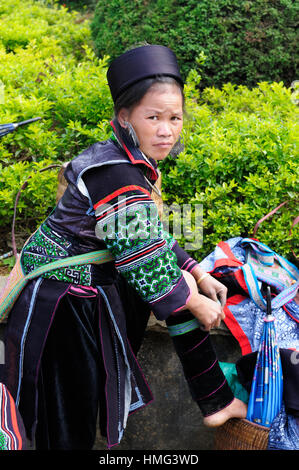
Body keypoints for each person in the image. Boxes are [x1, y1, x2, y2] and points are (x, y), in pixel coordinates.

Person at [1, 44, 246, 450]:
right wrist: (197, 301)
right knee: (59, 422)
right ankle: (214, 398)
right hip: (60, 307)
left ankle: (215, 399)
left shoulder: (126, 159)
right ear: (125, 118)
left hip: (81, 296)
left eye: (175, 118)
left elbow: (149, 236)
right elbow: (143, 261)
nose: (166, 129)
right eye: (153, 118)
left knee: (181, 284)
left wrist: (198, 271)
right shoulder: (116, 171)